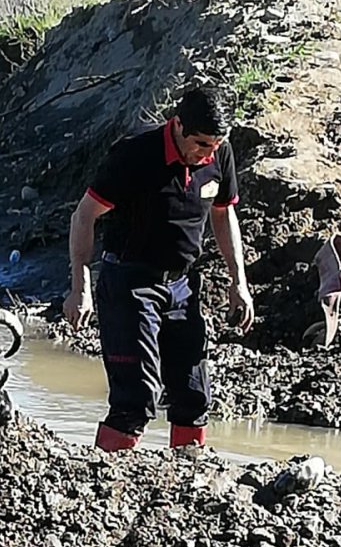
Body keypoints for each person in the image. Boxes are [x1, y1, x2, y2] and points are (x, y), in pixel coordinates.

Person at [63, 86, 254, 451]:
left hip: (182, 285)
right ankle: (107, 476)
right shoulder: (135, 154)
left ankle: (187, 476)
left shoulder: (219, 152)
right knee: (135, 397)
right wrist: (79, 285)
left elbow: (223, 213)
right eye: (200, 144)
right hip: (129, 282)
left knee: (194, 395)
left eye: (215, 145)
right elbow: (85, 214)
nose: (207, 154)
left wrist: (239, 282)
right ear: (178, 125)